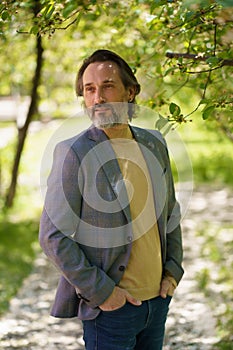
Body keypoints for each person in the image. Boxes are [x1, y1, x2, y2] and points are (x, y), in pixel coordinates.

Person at [39, 49, 184, 350]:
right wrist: (104, 293)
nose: (98, 98)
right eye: (89, 90)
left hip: (157, 303)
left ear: (130, 92)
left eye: (107, 86)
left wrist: (172, 271)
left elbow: (170, 211)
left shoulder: (154, 143)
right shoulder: (73, 153)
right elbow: (53, 237)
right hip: (111, 313)